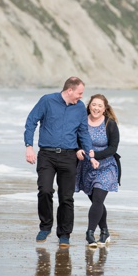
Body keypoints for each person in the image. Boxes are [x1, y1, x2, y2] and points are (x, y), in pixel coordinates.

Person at [25, 76, 97, 247]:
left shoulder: (79, 107)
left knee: (66, 197)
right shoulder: (47, 101)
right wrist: (29, 146)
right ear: (69, 90)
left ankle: (64, 234)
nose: (81, 97)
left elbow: (83, 132)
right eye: (79, 93)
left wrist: (90, 155)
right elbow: (31, 121)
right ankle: (45, 226)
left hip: (69, 157)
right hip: (47, 155)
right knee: (45, 190)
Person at [75, 94, 120, 248]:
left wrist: (96, 154)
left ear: (104, 108)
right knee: (97, 202)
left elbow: (113, 148)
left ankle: (89, 233)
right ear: (89, 106)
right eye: (94, 105)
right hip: (87, 168)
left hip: (107, 167)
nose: (96, 108)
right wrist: (78, 150)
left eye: (100, 106)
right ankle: (105, 231)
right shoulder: (82, 122)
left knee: (98, 200)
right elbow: (74, 140)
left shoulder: (110, 124)